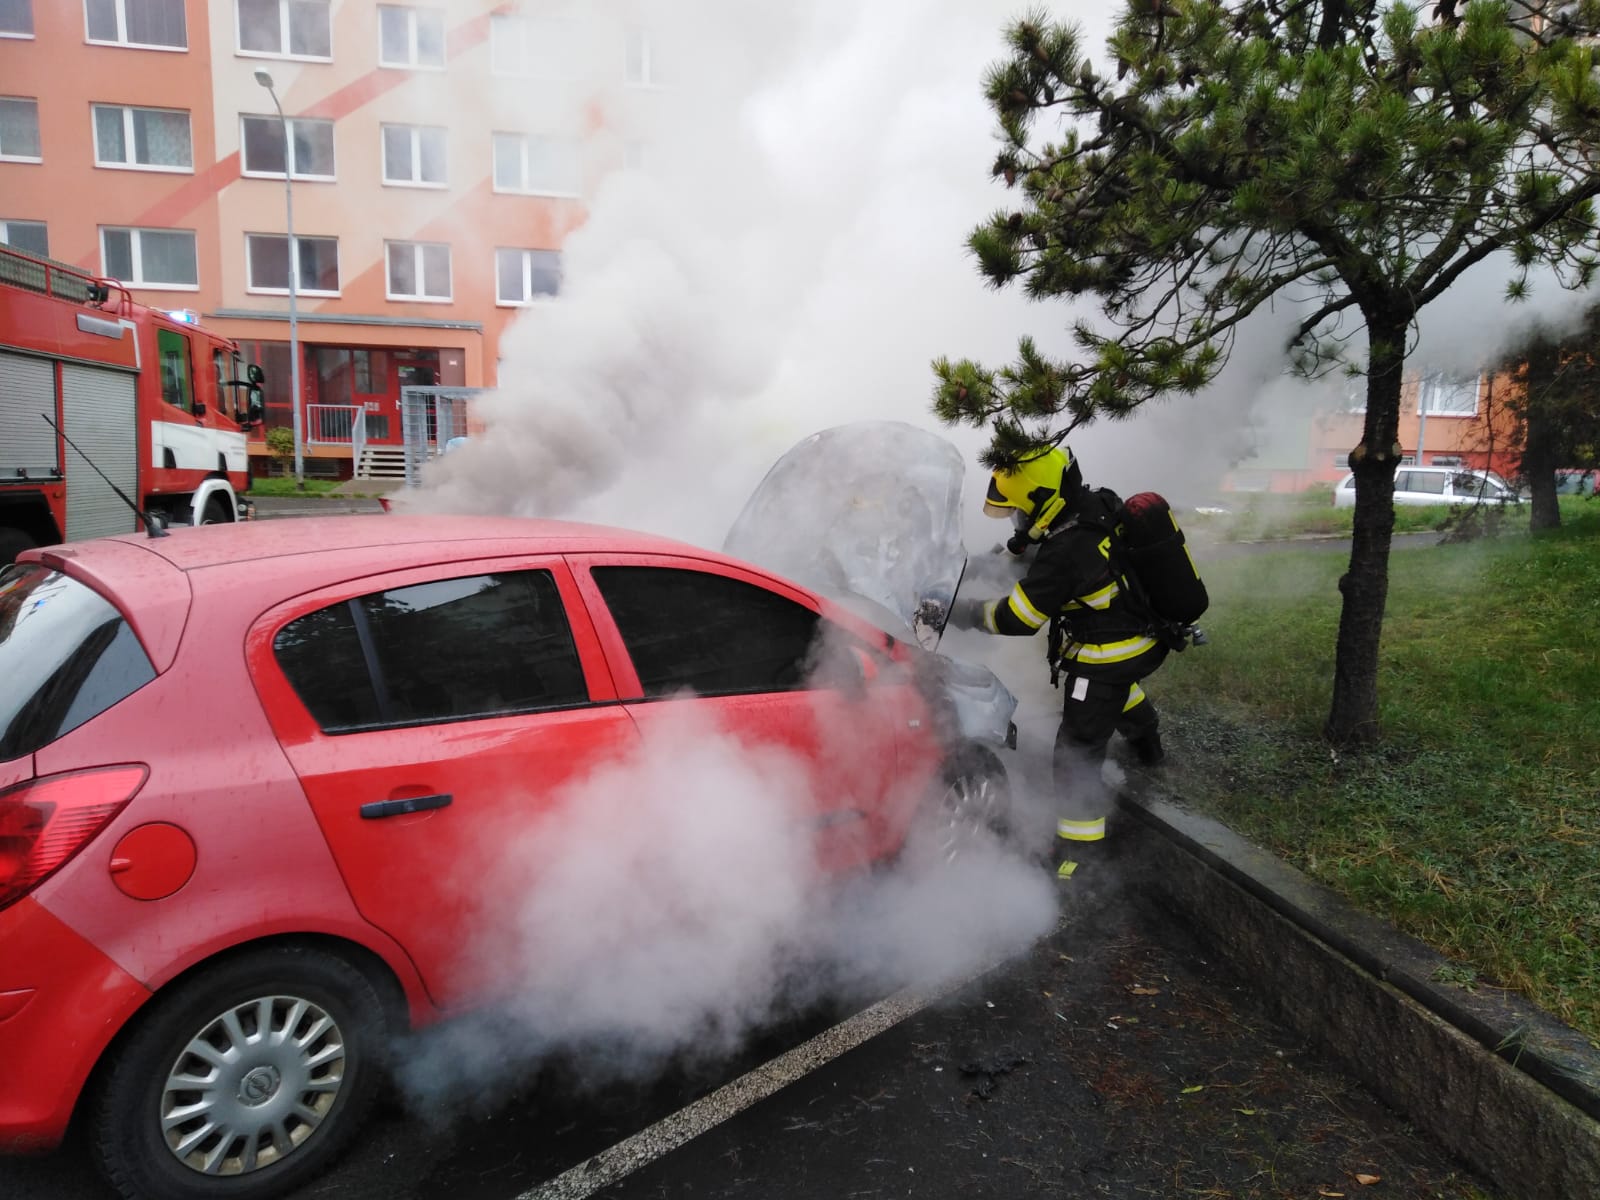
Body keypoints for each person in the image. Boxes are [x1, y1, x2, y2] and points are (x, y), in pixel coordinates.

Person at [944, 445, 1167, 876]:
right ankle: (1149, 745)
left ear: (1042, 502)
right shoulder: (1095, 502)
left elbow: (1019, 618)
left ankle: (1078, 861)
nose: (1016, 521)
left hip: (1109, 653)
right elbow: (1028, 552)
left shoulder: (1065, 550)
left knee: (1075, 751)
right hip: (1142, 637)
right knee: (1117, 691)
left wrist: (965, 614)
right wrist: (975, 568)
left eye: (1018, 511)